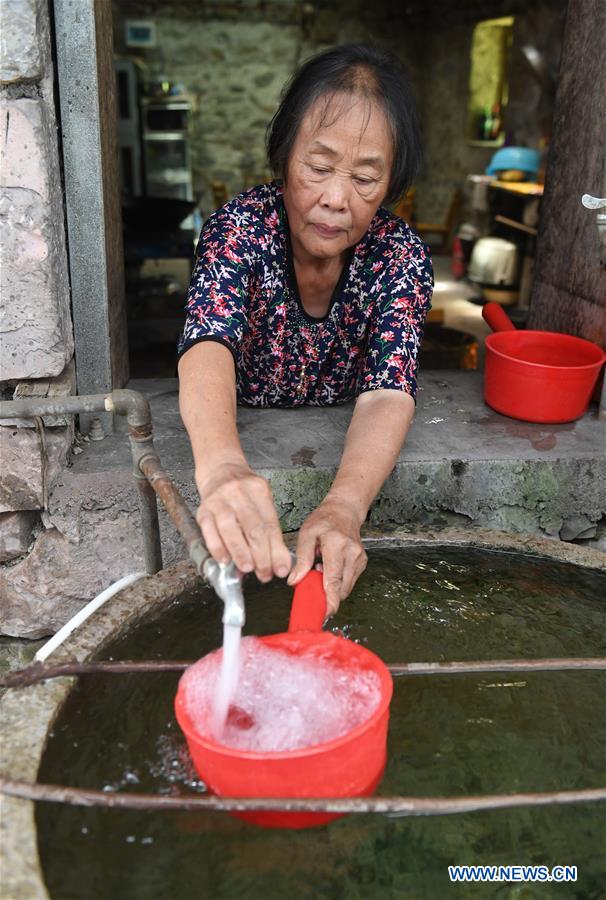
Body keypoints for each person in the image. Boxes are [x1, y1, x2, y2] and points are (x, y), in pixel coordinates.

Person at [178, 43, 433, 616]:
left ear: (391, 184)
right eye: (318, 168)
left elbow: (389, 389)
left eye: (365, 179)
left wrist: (344, 506)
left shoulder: (400, 255)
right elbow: (207, 342)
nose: (336, 199)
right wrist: (222, 468)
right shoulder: (238, 230)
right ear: (284, 156)